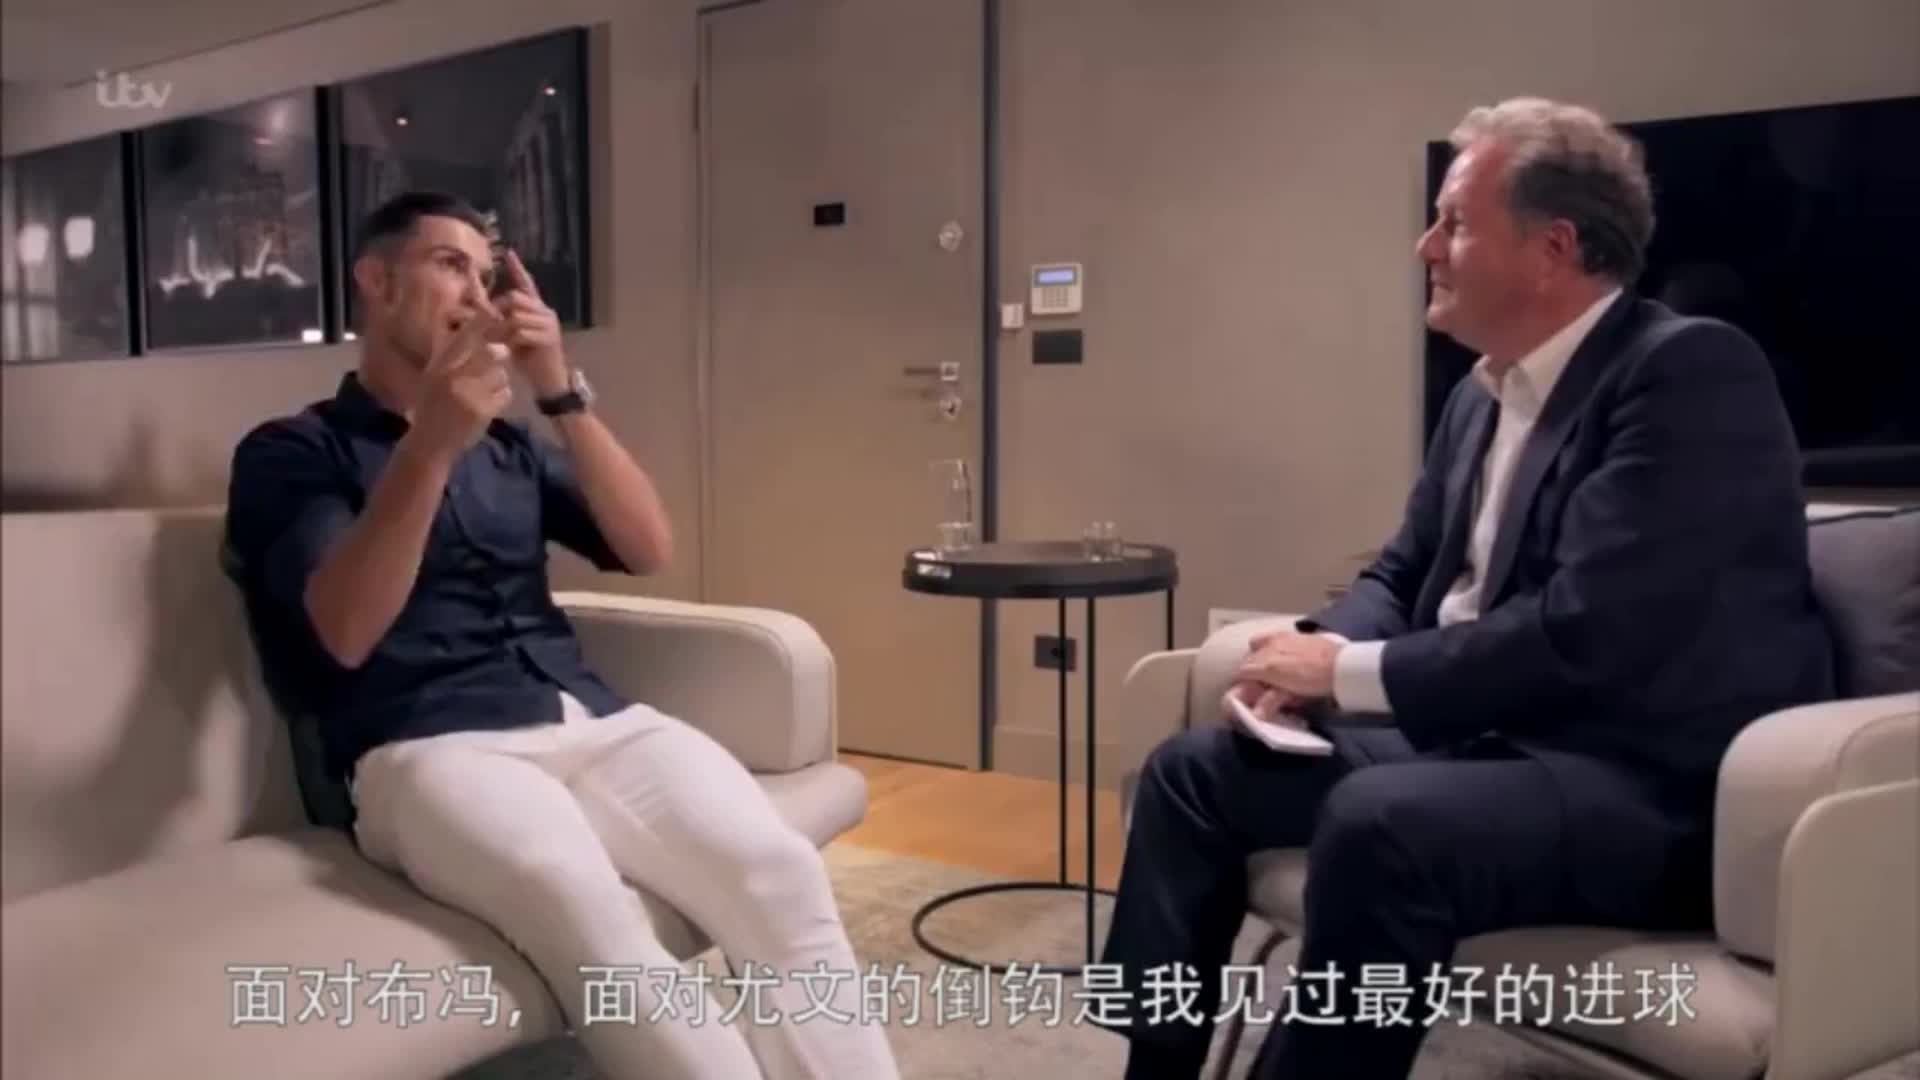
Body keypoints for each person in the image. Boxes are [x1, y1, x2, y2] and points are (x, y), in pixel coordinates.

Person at [1097, 98, 1835, 1079]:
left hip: (1640, 783)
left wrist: (1344, 674)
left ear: (1552, 248)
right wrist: (1305, 660)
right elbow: (1401, 573)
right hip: (1485, 747)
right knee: (1190, 775)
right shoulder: (1479, 397)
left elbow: (1583, 634)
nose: (1424, 247)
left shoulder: (1687, 372)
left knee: (1382, 824)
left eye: (1453, 222)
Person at [223, 191, 899, 1080]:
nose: (478, 294)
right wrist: (429, 448)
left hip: (590, 719)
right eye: (450, 265)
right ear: (377, 281)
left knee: (779, 870)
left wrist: (561, 392)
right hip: (424, 748)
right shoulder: (292, 450)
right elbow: (344, 632)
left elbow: (647, 547)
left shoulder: (508, 449)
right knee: (585, 906)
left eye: (486, 274)